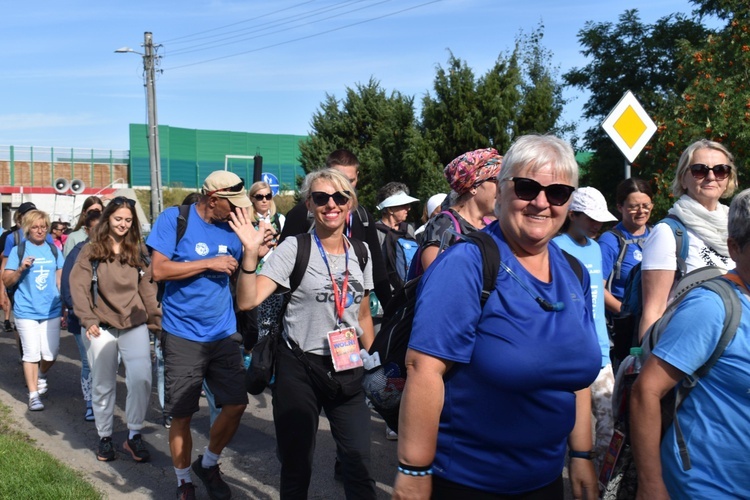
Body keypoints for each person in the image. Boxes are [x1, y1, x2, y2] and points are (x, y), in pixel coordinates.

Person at [393, 135, 601, 500]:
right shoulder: (467, 263)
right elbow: (424, 370)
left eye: (557, 193)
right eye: (527, 187)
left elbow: (577, 376)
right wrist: (413, 471)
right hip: (468, 483)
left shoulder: (575, 273)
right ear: (500, 192)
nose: (541, 202)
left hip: (545, 481)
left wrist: (582, 455)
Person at [235, 168, 377, 500]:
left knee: (359, 463)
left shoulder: (361, 252)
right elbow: (247, 300)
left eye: (339, 197)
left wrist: (378, 365)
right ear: (309, 205)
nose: (331, 204)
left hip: (348, 367)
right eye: (321, 197)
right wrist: (250, 255)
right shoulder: (293, 249)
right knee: (297, 465)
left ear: (349, 204)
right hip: (299, 368)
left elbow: (364, 315)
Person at [630, 188, 750, 499]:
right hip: (707, 487)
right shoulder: (711, 307)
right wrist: (651, 485)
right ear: (734, 248)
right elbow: (646, 391)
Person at [147, 171, 255, 500]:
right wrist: (208, 263)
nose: (237, 210)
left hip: (222, 333)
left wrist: (255, 247)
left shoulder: (233, 229)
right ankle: (183, 481)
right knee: (182, 414)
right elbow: (159, 269)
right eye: (232, 203)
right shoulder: (174, 220)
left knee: (236, 405)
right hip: (182, 334)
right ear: (213, 199)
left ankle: (208, 464)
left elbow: (245, 272)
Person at [70, 197, 161, 462]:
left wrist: (157, 324)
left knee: (142, 378)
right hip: (102, 327)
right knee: (103, 383)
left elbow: (147, 289)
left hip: (134, 324)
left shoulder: (137, 250)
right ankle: (105, 437)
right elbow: (78, 287)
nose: (122, 224)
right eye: (118, 218)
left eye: (128, 220)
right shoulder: (91, 250)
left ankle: (133, 435)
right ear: (109, 218)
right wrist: (88, 320)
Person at [638, 139, 737, 340]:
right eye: (699, 170)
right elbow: (653, 310)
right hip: (685, 351)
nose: (711, 176)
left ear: (728, 178)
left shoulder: (736, 226)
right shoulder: (667, 232)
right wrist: (644, 360)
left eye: (720, 170)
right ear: (683, 179)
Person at [553, 186, 618, 474]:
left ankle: (601, 484)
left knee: (608, 423)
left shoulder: (596, 248)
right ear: (572, 214)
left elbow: (598, 292)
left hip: (600, 350)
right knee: (561, 424)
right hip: (564, 352)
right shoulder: (553, 247)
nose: (597, 225)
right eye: (590, 218)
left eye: (600, 219)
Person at [279, 149, 391, 309]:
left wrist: (390, 309)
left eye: (350, 181)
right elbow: (281, 269)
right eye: (339, 180)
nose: (344, 188)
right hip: (309, 313)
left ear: (358, 176)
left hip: (352, 313)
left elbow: (377, 267)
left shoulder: (363, 216)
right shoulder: (303, 213)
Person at [1, 210, 64, 412]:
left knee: (51, 353)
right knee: (30, 353)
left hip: (50, 310)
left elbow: (60, 278)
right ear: (28, 228)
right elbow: (6, 279)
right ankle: (33, 395)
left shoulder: (53, 250)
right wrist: (20, 269)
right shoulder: (19, 250)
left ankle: (41, 376)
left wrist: (65, 303)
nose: (40, 230)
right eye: (35, 227)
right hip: (26, 309)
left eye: (43, 226)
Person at [598, 178, 653, 365]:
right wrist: (625, 312)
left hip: (654, 322)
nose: (641, 211)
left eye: (646, 205)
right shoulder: (610, 240)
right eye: (633, 206)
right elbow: (598, 288)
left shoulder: (658, 235)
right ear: (620, 207)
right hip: (624, 327)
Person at [419, 148, 502, 271]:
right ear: (473, 186)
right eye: (497, 181)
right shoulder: (443, 224)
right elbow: (438, 279)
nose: (502, 189)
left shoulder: (492, 225)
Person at [60, 208, 102, 422]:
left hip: (106, 320)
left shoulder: (112, 250)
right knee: (88, 362)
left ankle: (102, 400)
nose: (99, 233)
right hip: (81, 319)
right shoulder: (77, 252)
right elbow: (68, 288)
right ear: (86, 230)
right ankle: (90, 403)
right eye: (94, 229)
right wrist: (82, 314)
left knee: (104, 363)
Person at [375, 182, 419, 293]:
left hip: (409, 289)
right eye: (403, 205)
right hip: (385, 292)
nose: (408, 208)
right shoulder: (376, 232)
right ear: (390, 209)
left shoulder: (408, 229)